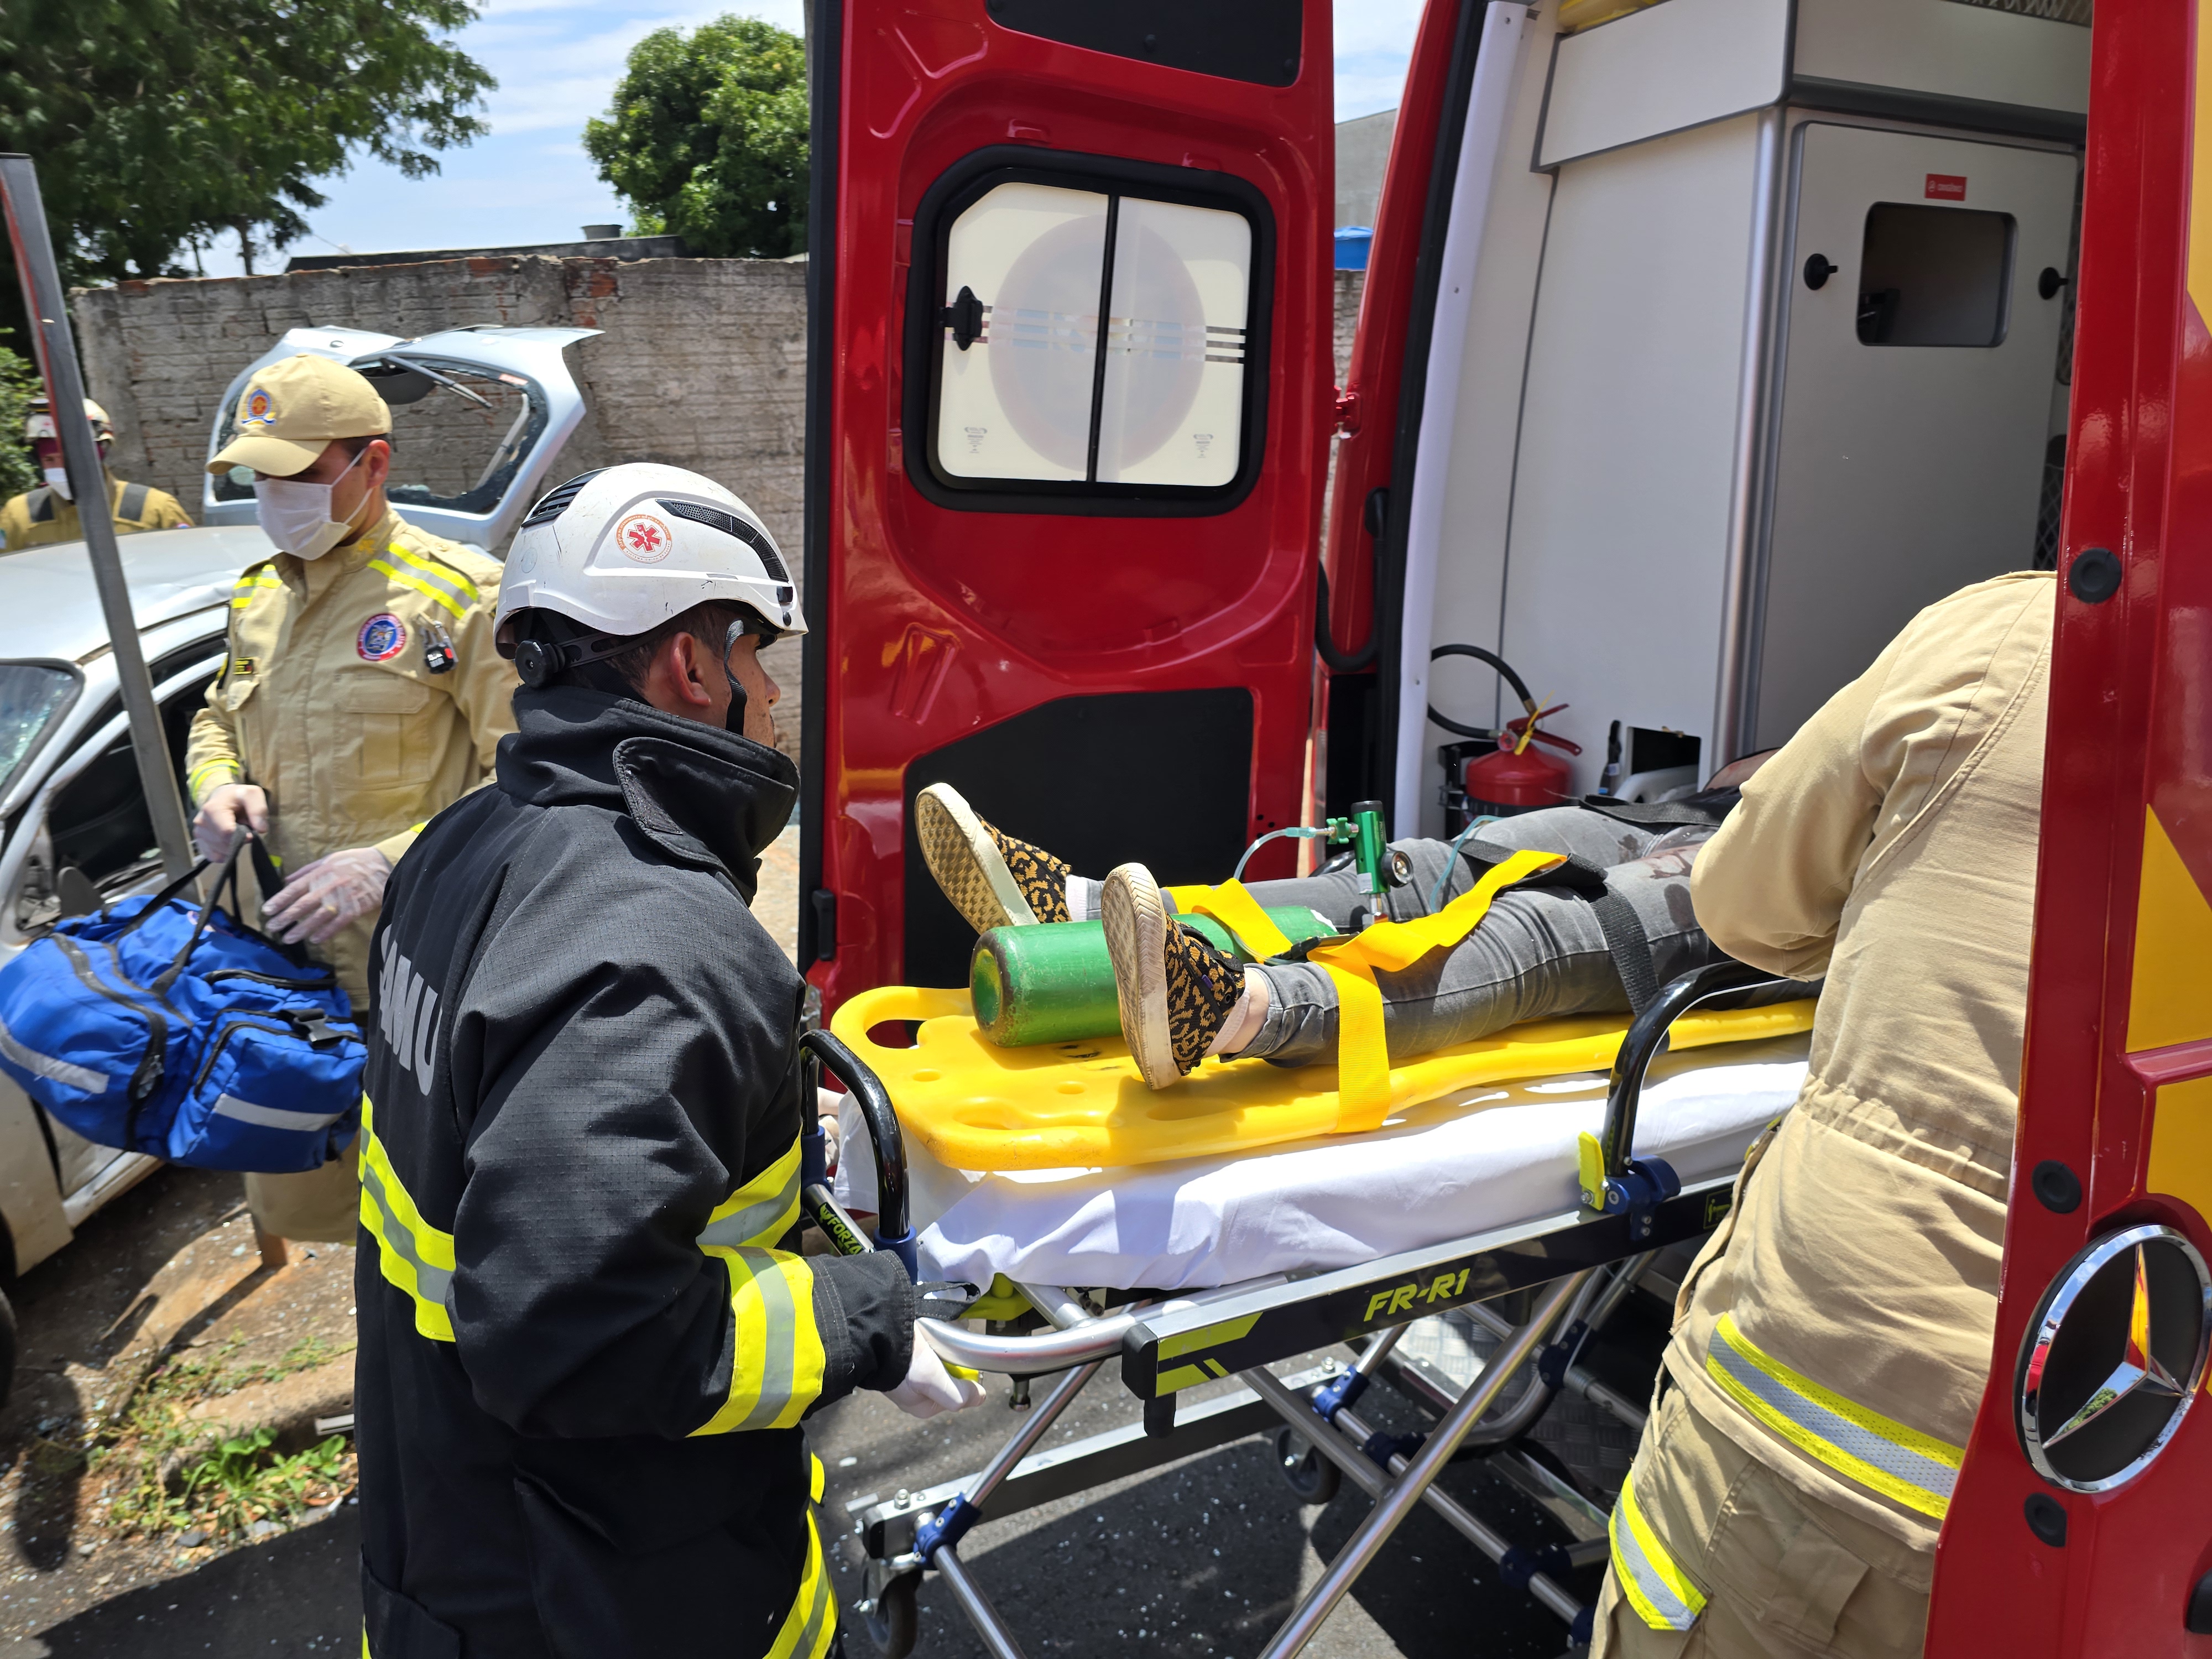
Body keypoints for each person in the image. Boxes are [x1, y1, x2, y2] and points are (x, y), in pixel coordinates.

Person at [353, 463, 981, 1658]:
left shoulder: (459, 846)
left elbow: (489, 1154)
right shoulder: (654, 944)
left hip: (449, 1554)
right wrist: (860, 1315)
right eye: (759, 657)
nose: (772, 695)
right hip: (604, 1602)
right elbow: (580, 1337)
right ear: (694, 666)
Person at [1587, 571, 2056, 1657]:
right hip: (2104, 1477)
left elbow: (1736, 905)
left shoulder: (2006, 637)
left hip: (1828, 1421)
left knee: (1548, 936)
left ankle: (1264, 1001)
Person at [184, 352, 517, 1264]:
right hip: (288, 982)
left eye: (299, 474)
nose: (274, 494)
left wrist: (386, 862)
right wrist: (219, 786)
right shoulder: (257, 596)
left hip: (420, 982)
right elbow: (216, 719)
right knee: (336, 1212)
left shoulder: (460, 595)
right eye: (261, 476)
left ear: (373, 465)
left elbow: (527, 776)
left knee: (447, 1216)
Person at [913, 772, 1767, 1088]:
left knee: (1561, 930)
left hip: (1814, 894)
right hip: (1707, 813)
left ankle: (1239, 1008)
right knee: (1429, 866)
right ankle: (1085, 910)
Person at [0, 396, 191, 551]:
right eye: (50, 460)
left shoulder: (157, 508)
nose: (60, 468)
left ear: (96, 456)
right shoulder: (17, 516)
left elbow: (193, 570)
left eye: (69, 459)